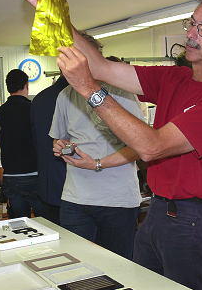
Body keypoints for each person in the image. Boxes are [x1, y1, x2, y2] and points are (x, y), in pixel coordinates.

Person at [22, 0, 202, 290]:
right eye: (192, 24)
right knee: (141, 285)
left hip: (191, 220)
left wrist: (88, 88)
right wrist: (54, 13)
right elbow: (99, 65)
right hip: (158, 212)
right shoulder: (175, 78)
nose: (192, 34)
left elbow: (151, 147)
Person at [49, 41, 143, 260]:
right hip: (76, 198)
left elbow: (139, 147)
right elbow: (61, 140)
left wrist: (98, 164)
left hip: (117, 200)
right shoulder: (65, 95)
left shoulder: (122, 93)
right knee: (77, 267)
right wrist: (62, 147)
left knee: (119, 268)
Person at [0, 69, 43, 218]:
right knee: (44, 223)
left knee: (19, 224)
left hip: (11, 177)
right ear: (26, 85)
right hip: (34, 174)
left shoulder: (0, 112)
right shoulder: (32, 109)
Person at [31, 74, 69, 225]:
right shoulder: (77, 96)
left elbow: (35, 140)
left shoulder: (39, 99)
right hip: (74, 186)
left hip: (47, 184)